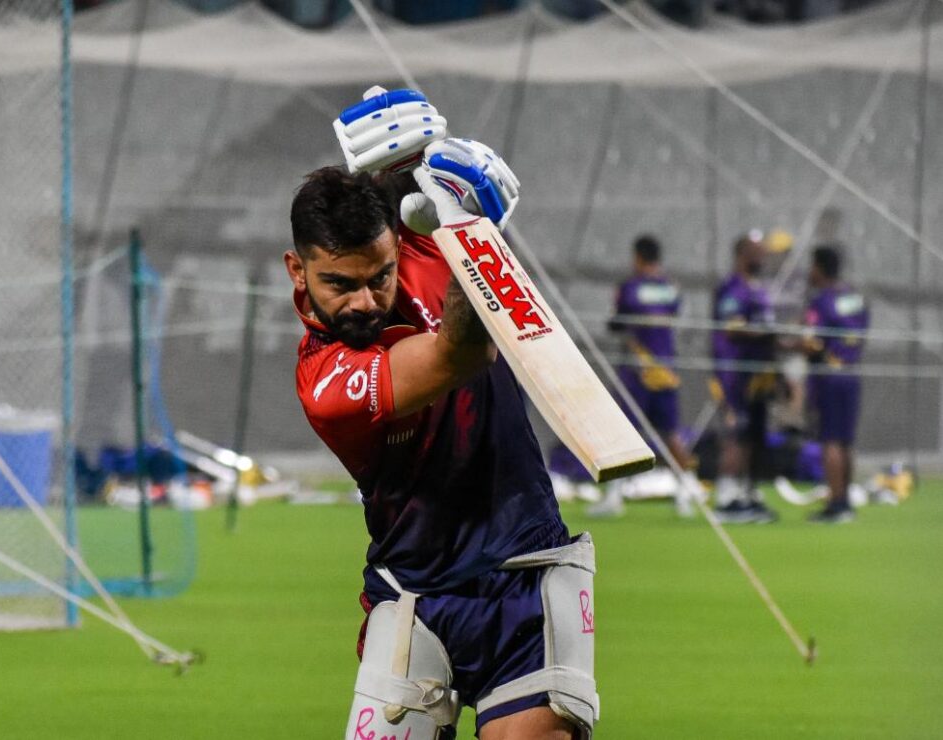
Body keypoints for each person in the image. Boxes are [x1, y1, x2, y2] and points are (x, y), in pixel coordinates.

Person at [287, 88, 599, 739]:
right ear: (299, 273)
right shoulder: (326, 380)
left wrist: (431, 154)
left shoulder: (417, 245)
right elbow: (464, 353)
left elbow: (414, 179)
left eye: (380, 276)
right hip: (412, 598)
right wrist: (470, 230)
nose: (364, 302)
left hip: (526, 573)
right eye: (339, 286)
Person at [588, 235, 696, 517]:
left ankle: (614, 496)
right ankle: (685, 491)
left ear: (637, 256)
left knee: (623, 433)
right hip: (666, 370)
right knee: (671, 435)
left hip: (638, 370)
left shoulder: (630, 287)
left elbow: (615, 322)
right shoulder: (671, 288)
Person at [709, 231, 779, 523]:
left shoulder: (759, 288)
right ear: (742, 254)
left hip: (759, 375)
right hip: (735, 372)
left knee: (753, 436)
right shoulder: (732, 288)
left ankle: (746, 493)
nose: (763, 256)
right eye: (757, 251)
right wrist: (769, 334)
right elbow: (731, 328)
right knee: (736, 431)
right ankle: (725, 497)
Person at [801, 244, 869, 523]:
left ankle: (835, 504)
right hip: (851, 372)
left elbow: (811, 342)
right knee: (845, 441)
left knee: (830, 440)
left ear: (819, 267)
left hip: (829, 376)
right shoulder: (855, 298)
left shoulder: (821, 301)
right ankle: (846, 501)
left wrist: (785, 343)